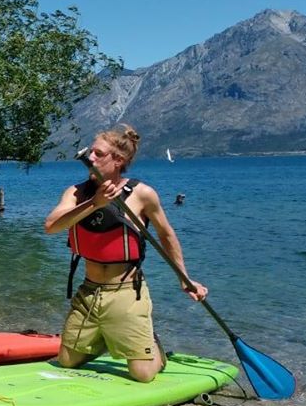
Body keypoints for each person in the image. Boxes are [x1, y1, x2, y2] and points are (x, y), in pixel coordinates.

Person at [43, 124, 207, 383]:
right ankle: (106, 339)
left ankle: (154, 348)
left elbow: (166, 235)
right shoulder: (76, 192)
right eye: (91, 153)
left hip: (127, 293)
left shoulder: (142, 194)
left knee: (142, 375)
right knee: (67, 361)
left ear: (118, 160)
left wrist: (184, 278)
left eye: (98, 154)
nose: (91, 158)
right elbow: (52, 226)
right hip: (88, 291)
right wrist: (94, 203)